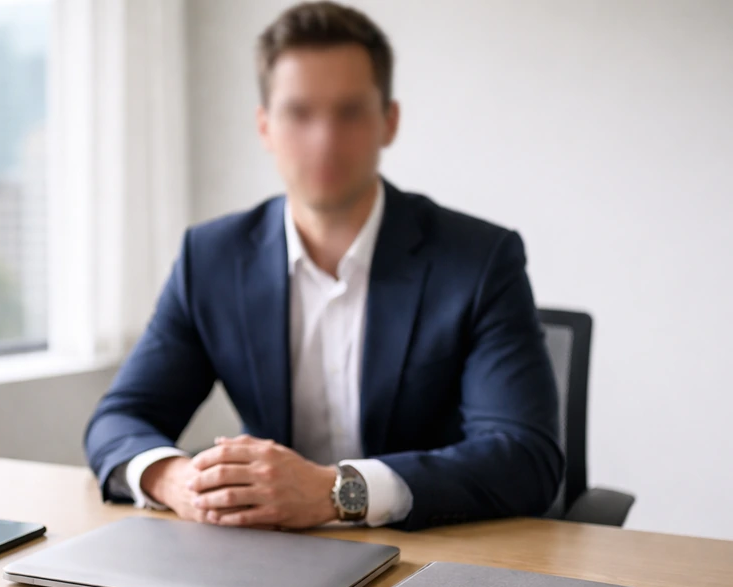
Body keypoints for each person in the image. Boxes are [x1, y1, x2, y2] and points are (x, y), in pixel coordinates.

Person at [84, 1, 563, 532]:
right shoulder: (212, 258)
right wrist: (174, 480)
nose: (324, 140)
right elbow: (120, 419)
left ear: (389, 121)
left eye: (350, 112)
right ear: (265, 126)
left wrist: (337, 492)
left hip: (434, 557)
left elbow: (525, 458)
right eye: (299, 113)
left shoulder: (477, 260)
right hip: (269, 557)